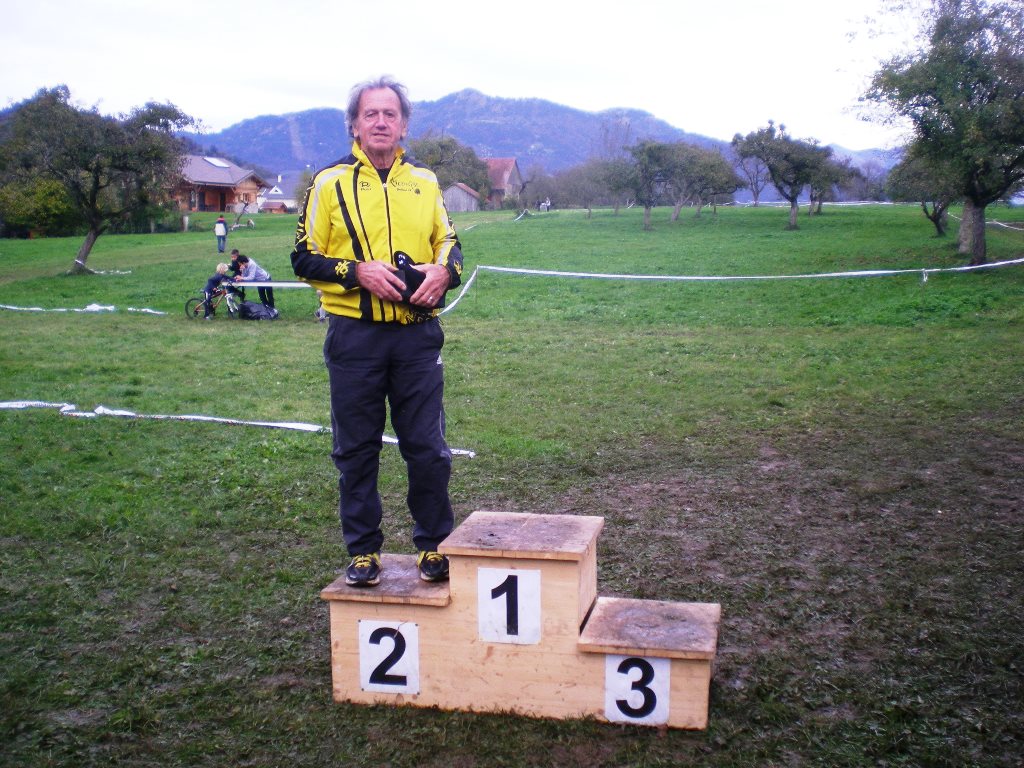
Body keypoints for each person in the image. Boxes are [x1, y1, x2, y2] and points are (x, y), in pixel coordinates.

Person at [290, 76, 463, 588]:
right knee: (356, 449)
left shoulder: (426, 182)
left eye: (391, 114)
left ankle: (433, 544)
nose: (381, 122)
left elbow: (449, 244)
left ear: (404, 124)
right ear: (354, 124)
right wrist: (356, 272)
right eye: (371, 114)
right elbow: (303, 256)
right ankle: (364, 550)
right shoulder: (328, 183)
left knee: (427, 447)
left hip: (416, 335)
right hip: (354, 336)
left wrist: (442, 272)